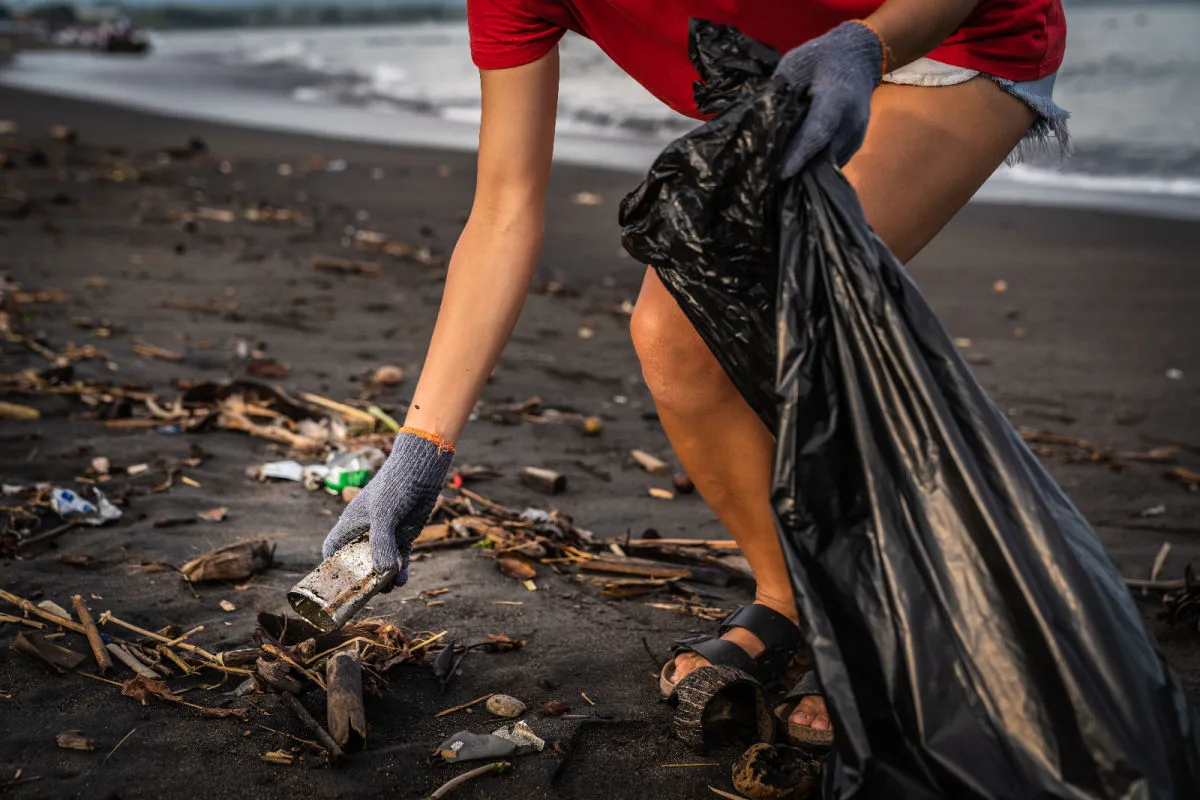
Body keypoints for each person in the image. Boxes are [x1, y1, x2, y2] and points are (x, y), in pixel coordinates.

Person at [321, 0, 1069, 746]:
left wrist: (866, 44)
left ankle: (895, 617)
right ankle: (790, 598)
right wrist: (418, 455)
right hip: (795, 80)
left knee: (778, 282)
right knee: (671, 336)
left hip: (951, 42)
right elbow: (503, 212)